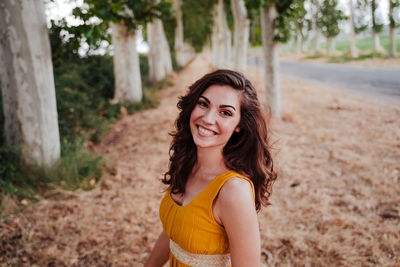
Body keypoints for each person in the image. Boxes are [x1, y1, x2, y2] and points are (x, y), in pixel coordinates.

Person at [145, 69, 277, 267]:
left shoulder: (233, 190)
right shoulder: (186, 163)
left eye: (225, 112)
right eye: (203, 104)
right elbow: (174, 232)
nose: (207, 118)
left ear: (239, 124)